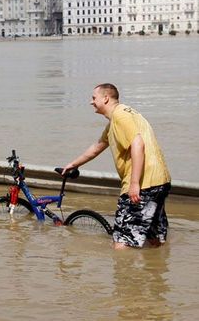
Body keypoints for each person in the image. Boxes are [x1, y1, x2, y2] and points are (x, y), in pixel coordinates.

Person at [62, 83, 171, 249]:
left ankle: (126, 275)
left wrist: (134, 184)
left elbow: (138, 144)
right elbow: (97, 146)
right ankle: (153, 273)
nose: (91, 102)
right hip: (159, 181)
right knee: (153, 239)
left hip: (143, 183)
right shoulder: (121, 117)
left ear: (106, 98)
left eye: (94, 98)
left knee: (120, 245)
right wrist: (73, 164)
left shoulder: (121, 116)